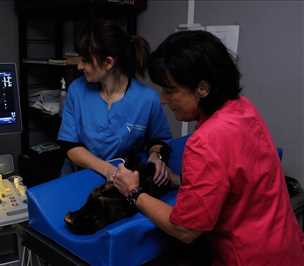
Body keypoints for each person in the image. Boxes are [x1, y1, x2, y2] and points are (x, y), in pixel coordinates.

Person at [113, 30, 304, 265]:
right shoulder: (242, 109)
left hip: (248, 257)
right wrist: (179, 181)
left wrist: (133, 192)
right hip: (286, 247)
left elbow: (185, 230)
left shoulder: (205, 141)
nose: (163, 99)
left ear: (202, 88)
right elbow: (234, 176)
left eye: (170, 90)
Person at [57, 20, 173, 183]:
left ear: (108, 62)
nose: (79, 67)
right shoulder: (77, 90)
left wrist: (155, 156)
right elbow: (70, 145)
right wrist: (110, 171)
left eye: (86, 60)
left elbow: (159, 141)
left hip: (124, 183)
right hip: (79, 177)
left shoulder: (147, 99)